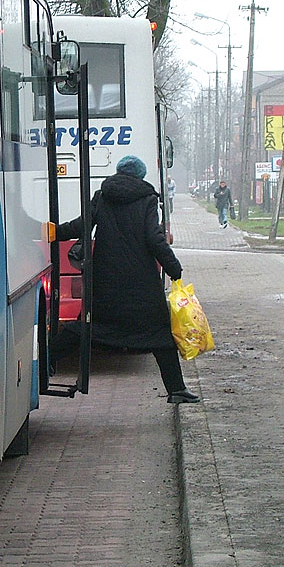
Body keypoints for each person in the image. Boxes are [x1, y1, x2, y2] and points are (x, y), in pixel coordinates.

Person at [47, 155, 199, 403]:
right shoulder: (147, 199)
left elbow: (81, 225)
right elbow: (154, 238)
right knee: (160, 334)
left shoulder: (103, 195)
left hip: (105, 279)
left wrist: (55, 231)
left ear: (118, 172)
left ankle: (45, 360)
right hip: (141, 282)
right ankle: (177, 390)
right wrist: (173, 267)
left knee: (87, 327)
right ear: (140, 175)